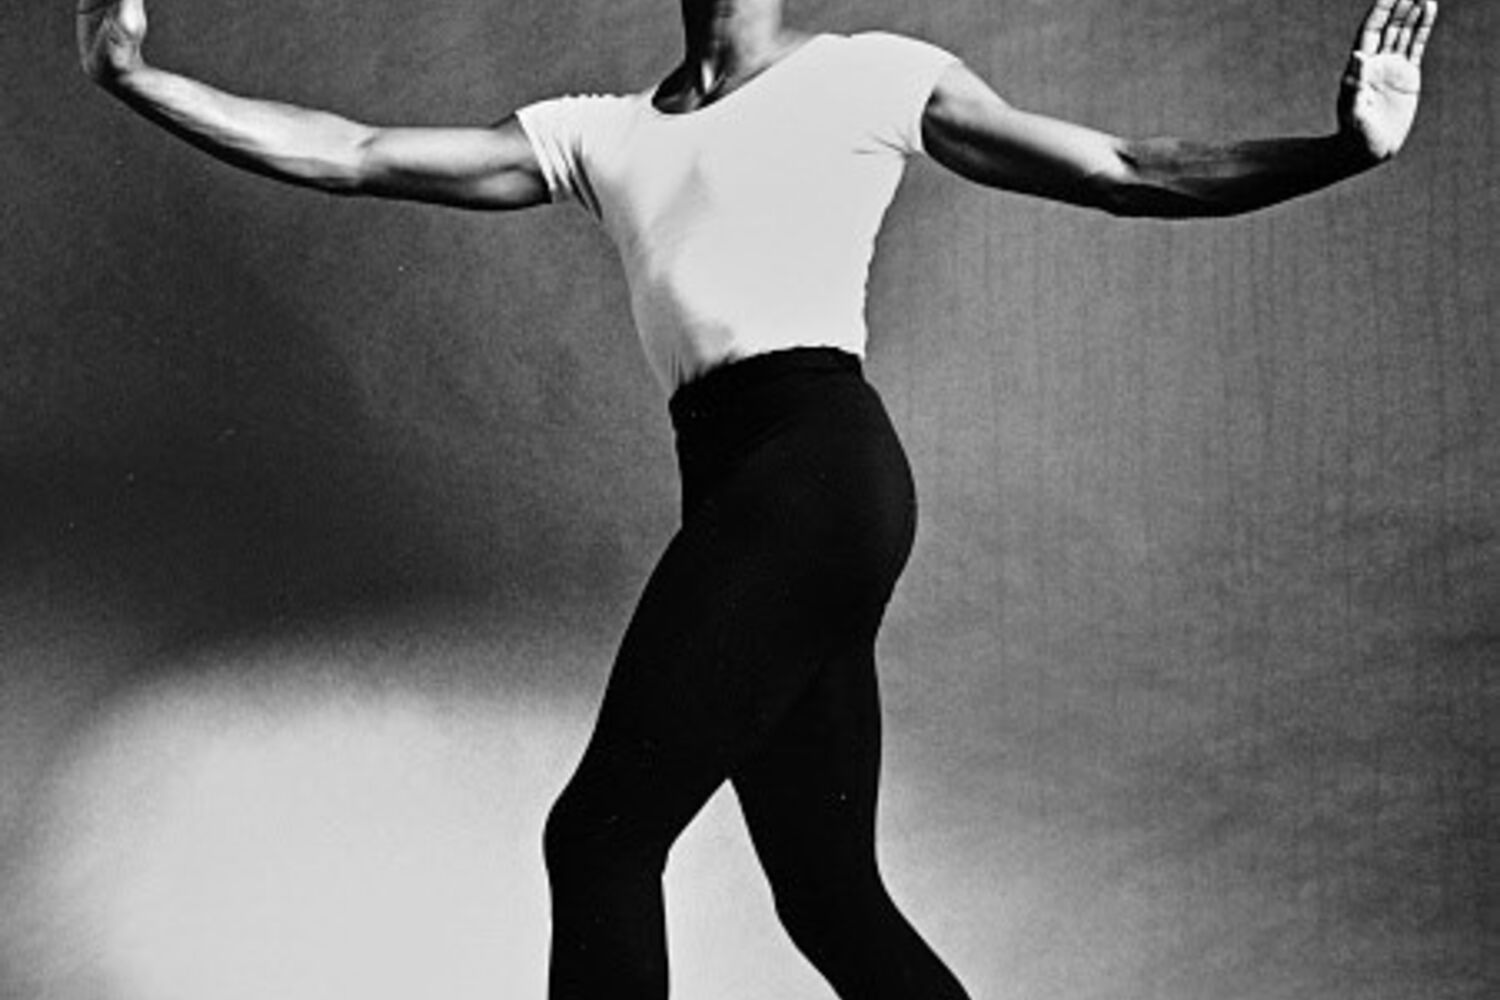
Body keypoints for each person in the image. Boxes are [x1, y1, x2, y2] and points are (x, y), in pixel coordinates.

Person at [78, 1, 1438, 997]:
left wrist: (1341, 151)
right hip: (747, 496)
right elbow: (353, 149)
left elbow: (1125, 168)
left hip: (815, 471)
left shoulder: (873, 76)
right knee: (831, 899)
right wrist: (136, 80)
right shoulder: (600, 134)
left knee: (599, 840)